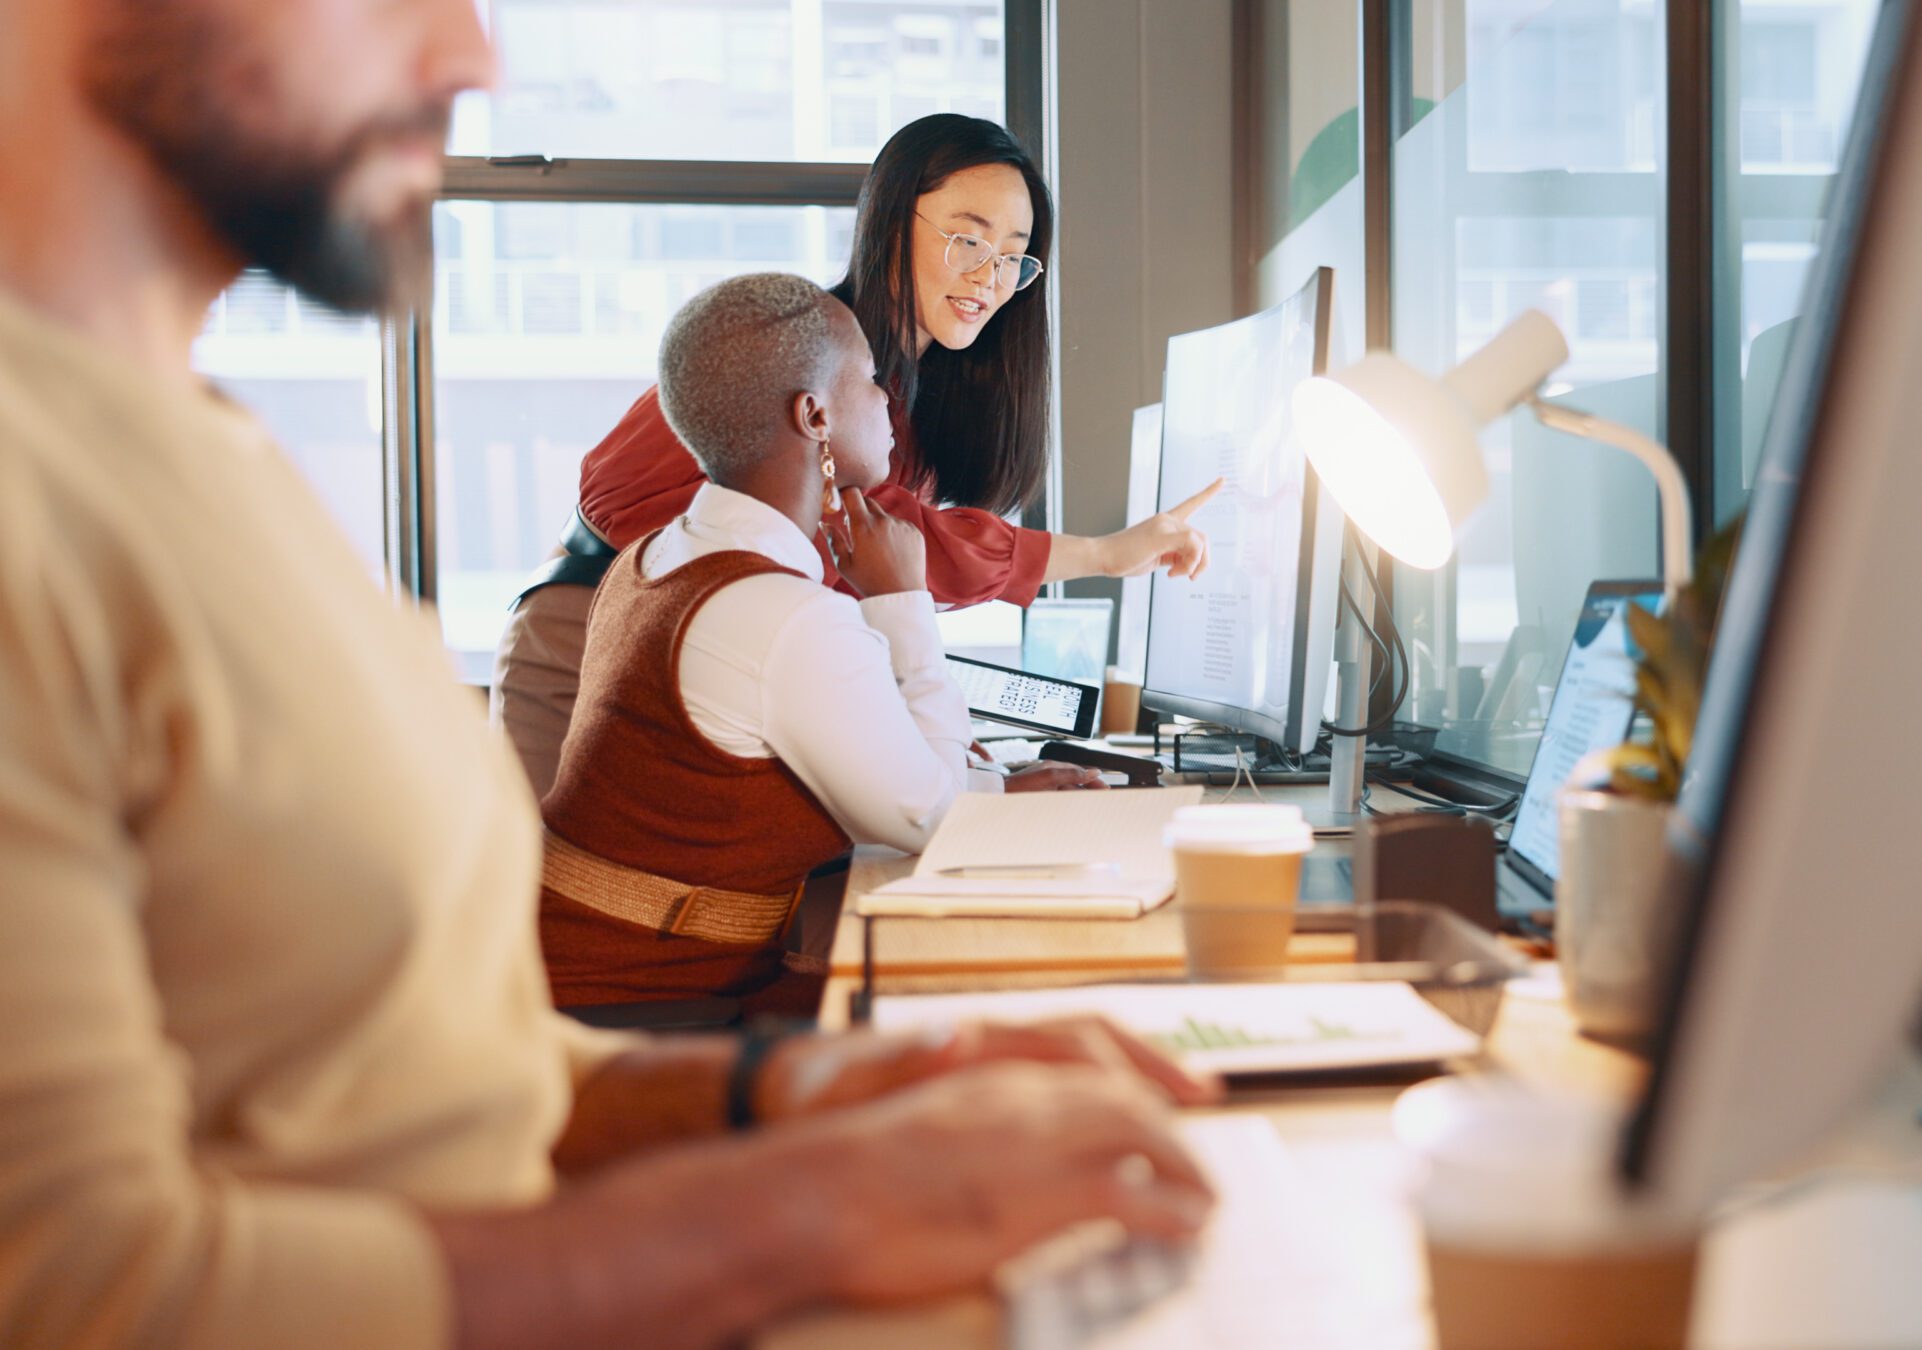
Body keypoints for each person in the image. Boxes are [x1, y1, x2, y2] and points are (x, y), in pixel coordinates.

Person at [0, 1, 1215, 1344]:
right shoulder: (42, 507)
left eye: (1013, 252)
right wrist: (793, 1210)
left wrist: (787, 1099)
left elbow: (428, 1068)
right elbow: (79, 1288)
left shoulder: (209, 460)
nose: (473, 57)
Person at [492, 113, 1224, 796]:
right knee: (574, 908)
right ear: (889, 221)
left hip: (705, 661)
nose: (989, 278)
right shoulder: (798, 347)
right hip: (587, 643)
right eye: (968, 239)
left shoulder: (908, 395)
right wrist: (1102, 555)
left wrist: (965, 772)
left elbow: (859, 582)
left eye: (1013, 257)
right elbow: (885, 541)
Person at [542, 271, 1077, 1013]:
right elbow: (934, 820)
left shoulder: (660, 557)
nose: (891, 400)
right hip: (638, 1007)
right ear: (814, 414)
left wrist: (994, 787)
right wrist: (901, 601)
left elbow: (859, 764)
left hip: (583, 974)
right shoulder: (780, 614)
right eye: (870, 379)